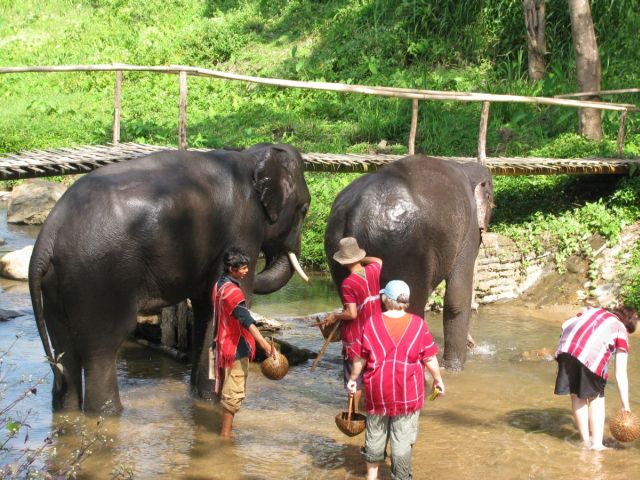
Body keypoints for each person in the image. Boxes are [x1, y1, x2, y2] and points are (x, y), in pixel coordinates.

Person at [347, 280, 444, 480]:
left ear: (385, 299)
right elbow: (429, 358)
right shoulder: (418, 324)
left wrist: (353, 379)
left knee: (375, 434)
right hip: (408, 394)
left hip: (378, 393)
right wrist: (438, 379)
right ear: (405, 302)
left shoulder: (371, 323)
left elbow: (360, 358)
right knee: (402, 439)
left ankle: (371, 478)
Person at [212, 247, 276, 438]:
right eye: (243, 268)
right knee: (234, 394)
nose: (247, 271)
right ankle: (225, 436)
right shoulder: (232, 292)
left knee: (226, 388)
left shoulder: (219, 285)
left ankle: (224, 431)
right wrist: (265, 345)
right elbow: (246, 321)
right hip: (235, 348)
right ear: (232, 268)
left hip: (222, 343)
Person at [554, 305, 638, 450]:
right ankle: (597, 445)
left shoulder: (594, 311)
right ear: (627, 325)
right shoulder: (620, 328)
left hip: (565, 349)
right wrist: (625, 405)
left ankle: (585, 441)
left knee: (577, 395)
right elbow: (620, 373)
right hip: (588, 356)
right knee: (596, 397)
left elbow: (567, 324)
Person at [325, 237, 382, 411]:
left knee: (354, 378)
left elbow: (351, 313)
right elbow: (378, 260)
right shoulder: (373, 270)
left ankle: (353, 412)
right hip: (376, 331)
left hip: (357, 337)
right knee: (372, 371)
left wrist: (335, 316)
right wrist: (360, 259)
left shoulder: (348, 283)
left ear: (343, 262)